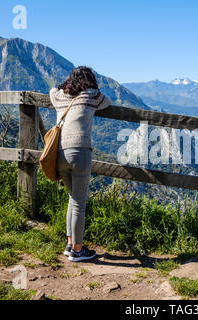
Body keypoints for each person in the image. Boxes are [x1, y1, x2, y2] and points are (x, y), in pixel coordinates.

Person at [50, 66, 112, 262]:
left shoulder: (59, 96)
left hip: (59, 153)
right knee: (79, 203)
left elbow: (51, 91)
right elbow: (108, 102)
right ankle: (77, 250)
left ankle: (70, 244)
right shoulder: (92, 95)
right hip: (79, 152)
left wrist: (62, 87)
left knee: (72, 198)